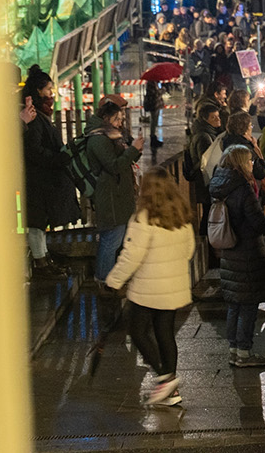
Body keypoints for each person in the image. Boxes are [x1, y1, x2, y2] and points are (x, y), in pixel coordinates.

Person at [104, 167, 196, 407]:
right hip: (174, 288)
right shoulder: (181, 216)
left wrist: (113, 280)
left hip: (147, 290)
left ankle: (165, 380)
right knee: (165, 333)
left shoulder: (142, 219)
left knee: (138, 332)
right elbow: (188, 252)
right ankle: (171, 391)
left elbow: (130, 256)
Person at [208, 145, 265, 368]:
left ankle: (234, 350)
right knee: (248, 305)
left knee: (234, 305)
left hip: (229, 252)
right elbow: (258, 224)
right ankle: (244, 353)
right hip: (247, 253)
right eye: (248, 161)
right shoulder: (243, 190)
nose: (251, 165)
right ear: (239, 163)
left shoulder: (219, 186)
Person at [21, 65, 80, 274]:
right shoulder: (34, 116)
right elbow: (33, 149)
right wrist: (56, 158)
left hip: (41, 177)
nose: (51, 93)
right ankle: (40, 262)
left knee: (41, 221)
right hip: (37, 178)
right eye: (48, 89)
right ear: (38, 91)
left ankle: (43, 257)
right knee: (36, 222)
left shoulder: (38, 113)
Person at [87, 99, 145, 284]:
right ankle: (103, 278)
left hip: (118, 194)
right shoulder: (97, 138)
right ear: (106, 118)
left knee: (117, 238)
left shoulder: (111, 135)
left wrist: (134, 149)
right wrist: (133, 151)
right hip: (111, 197)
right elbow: (114, 166)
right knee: (111, 239)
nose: (120, 123)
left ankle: (111, 276)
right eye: (117, 119)